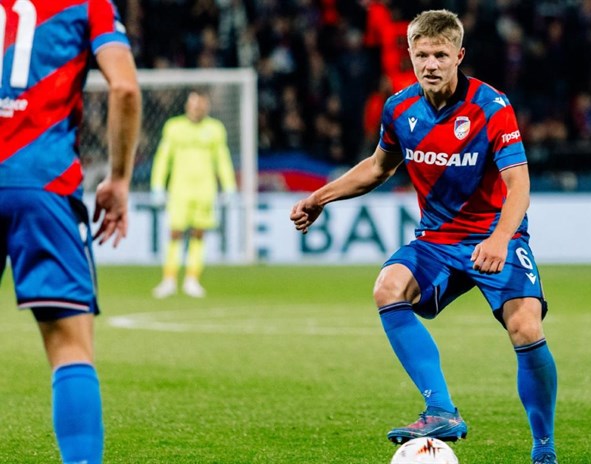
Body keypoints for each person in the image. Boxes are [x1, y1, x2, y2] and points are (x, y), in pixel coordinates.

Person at [290, 9, 558, 464]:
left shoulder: (492, 107)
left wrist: (499, 238)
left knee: (526, 327)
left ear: (459, 56)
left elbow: (519, 185)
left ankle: (543, 447)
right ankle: (441, 410)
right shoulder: (399, 109)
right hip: (436, 240)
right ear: (410, 55)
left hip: (495, 235)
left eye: (440, 55)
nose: (431, 64)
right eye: (422, 55)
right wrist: (320, 197)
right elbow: (378, 168)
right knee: (387, 287)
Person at [0, 1, 141, 462]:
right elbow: (124, 88)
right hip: (42, 182)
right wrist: (118, 179)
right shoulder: (88, 3)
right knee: (70, 348)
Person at [150, 90, 237, 298]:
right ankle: (169, 279)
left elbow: (222, 159)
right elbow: (163, 158)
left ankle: (192, 279)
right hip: (180, 189)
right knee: (175, 233)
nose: (197, 108)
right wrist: (158, 185)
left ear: (206, 106)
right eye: (194, 104)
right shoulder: (174, 127)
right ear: (187, 106)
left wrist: (229, 186)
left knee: (199, 234)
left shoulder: (215, 129)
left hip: (205, 190)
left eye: (201, 104)